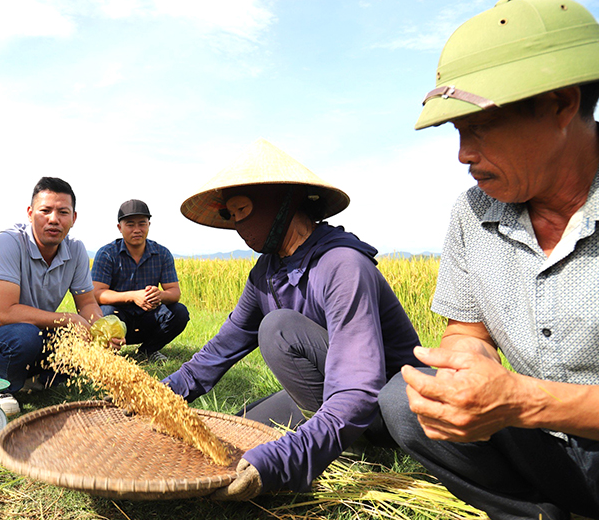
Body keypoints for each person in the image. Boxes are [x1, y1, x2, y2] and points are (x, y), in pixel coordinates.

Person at [378, 0, 599, 518]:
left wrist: (523, 400)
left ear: (560, 104)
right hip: (537, 444)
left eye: (477, 126)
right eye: (457, 131)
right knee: (405, 402)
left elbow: (525, 402)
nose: (463, 153)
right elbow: (466, 330)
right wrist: (469, 366)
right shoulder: (473, 213)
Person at [162, 138, 422, 500]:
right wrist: (162, 394)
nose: (239, 224)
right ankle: (323, 439)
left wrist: (290, 457)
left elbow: (358, 387)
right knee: (235, 443)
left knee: (278, 327)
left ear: (279, 203)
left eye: (244, 210)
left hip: (382, 408)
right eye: (232, 215)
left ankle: (346, 449)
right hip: (326, 397)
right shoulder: (266, 272)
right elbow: (223, 346)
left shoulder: (342, 265)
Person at [0, 177, 108, 415]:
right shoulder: (8, 242)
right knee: (24, 335)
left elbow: (88, 302)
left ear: (73, 218)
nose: (53, 219)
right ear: (30, 213)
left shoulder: (76, 249)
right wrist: (67, 319)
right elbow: (6, 313)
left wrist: (102, 330)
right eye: (45, 211)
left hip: (34, 334)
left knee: (78, 339)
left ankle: (34, 380)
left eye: (63, 212)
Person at [91, 199, 190, 363]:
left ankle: (147, 351)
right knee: (106, 311)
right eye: (130, 224)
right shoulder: (107, 254)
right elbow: (97, 293)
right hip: (118, 317)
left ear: (149, 225)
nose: (137, 230)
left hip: (148, 317)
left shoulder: (162, 253)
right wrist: (133, 296)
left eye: (142, 224)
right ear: (119, 228)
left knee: (179, 312)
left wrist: (160, 295)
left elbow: (174, 293)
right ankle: (110, 353)